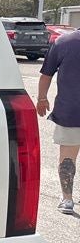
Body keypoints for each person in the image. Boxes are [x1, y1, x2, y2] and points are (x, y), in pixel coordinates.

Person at [37, 28, 80, 213]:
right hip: (69, 110)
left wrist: (41, 98)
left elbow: (46, 74)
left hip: (70, 111)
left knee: (68, 157)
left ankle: (67, 200)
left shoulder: (63, 42)